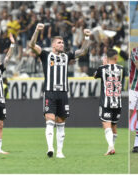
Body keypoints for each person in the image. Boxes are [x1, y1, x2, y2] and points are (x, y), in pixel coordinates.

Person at [29, 23, 91, 158]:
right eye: (59, 42)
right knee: (50, 120)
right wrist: (37, 30)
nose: (62, 44)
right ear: (53, 45)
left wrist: (86, 36)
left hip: (63, 93)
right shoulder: (46, 55)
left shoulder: (66, 56)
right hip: (50, 93)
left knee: (61, 123)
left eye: (63, 42)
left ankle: (60, 151)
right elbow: (32, 45)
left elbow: (83, 51)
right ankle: (50, 148)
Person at [94, 49, 125, 155]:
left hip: (106, 102)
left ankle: (111, 147)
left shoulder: (102, 68)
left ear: (106, 58)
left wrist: (104, 64)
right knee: (114, 126)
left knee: (107, 126)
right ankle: (111, 146)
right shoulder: (122, 69)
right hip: (118, 102)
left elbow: (94, 76)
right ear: (116, 58)